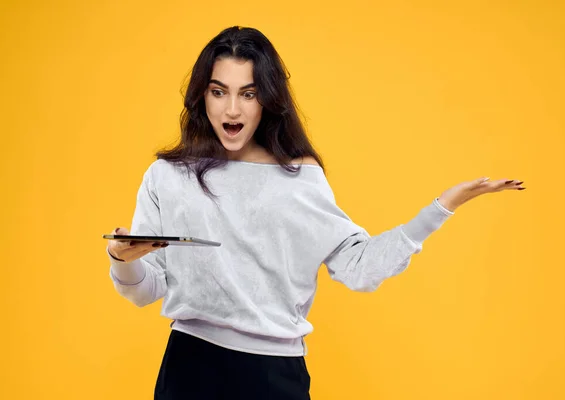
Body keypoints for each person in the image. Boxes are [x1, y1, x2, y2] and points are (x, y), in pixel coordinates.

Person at [106, 26, 525, 400]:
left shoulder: (299, 177)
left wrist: (443, 206)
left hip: (273, 375)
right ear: (202, 95)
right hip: (189, 368)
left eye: (247, 94)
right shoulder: (168, 175)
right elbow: (146, 289)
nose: (232, 110)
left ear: (267, 100)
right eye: (219, 92)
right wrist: (122, 262)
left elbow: (358, 268)